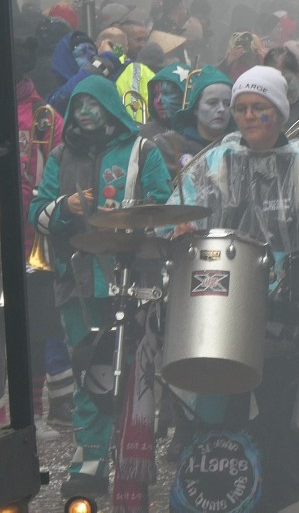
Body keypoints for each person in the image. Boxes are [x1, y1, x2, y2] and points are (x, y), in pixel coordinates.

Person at [170, 66, 299, 512]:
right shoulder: (212, 164)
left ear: (279, 113)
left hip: (289, 318)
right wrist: (180, 226)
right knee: (214, 415)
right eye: (242, 108)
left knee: (283, 425)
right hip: (220, 311)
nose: (249, 117)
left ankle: (287, 502)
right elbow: (180, 216)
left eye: (260, 108)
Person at [29, 77, 172, 501]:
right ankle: (89, 459)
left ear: (110, 106)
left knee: (131, 372)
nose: (85, 113)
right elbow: (37, 212)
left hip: (133, 280)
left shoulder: (142, 151)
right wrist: (65, 209)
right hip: (77, 281)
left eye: (93, 104)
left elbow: (165, 204)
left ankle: (132, 456)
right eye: (78, 106)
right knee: (88, 368)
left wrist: (125, 213)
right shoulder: (59, 155)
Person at [13, 37, 74, 437]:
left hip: (31, 241)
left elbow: (58, 175)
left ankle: (33, 410)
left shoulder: (44, 118)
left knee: (34, 324)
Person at [151, 65, 233, 178]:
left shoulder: (238, 147)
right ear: (195, 108)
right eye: (212, 102)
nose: (221, 109)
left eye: (227, 104)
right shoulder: (168, 145)